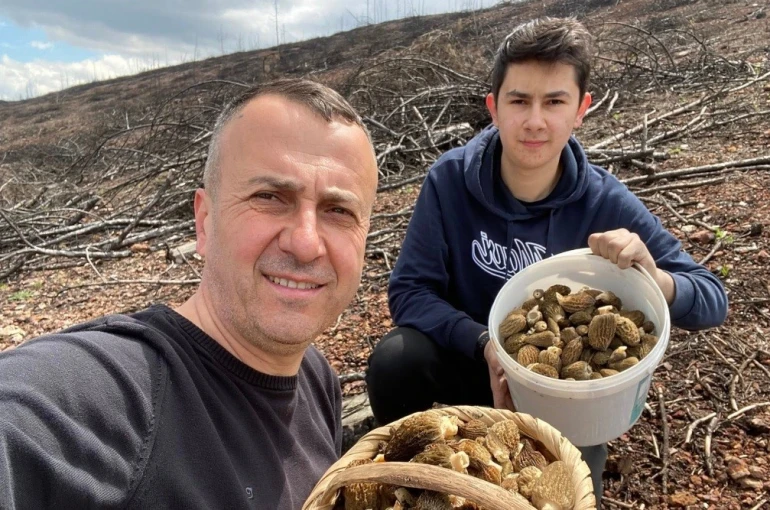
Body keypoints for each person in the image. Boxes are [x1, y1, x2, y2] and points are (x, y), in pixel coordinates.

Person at [365, 17, 728, 504]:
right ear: (494, 108)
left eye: (554, 102)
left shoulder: (605, 202)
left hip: (562, 387)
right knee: (396, 360)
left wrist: (656, 277)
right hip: (472, 358)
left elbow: (712, 298)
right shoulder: (449, 181)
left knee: (569, 491)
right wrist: (484, 343)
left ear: (581, 109)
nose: (535, 121)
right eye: (519, 101)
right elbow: (409, 291)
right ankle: (406, 482)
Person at [0, 79, 379, 509]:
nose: (306, 243)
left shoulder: (315, 378)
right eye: (271, 197)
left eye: (338, 211)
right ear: (204, 222)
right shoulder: (113, 393)